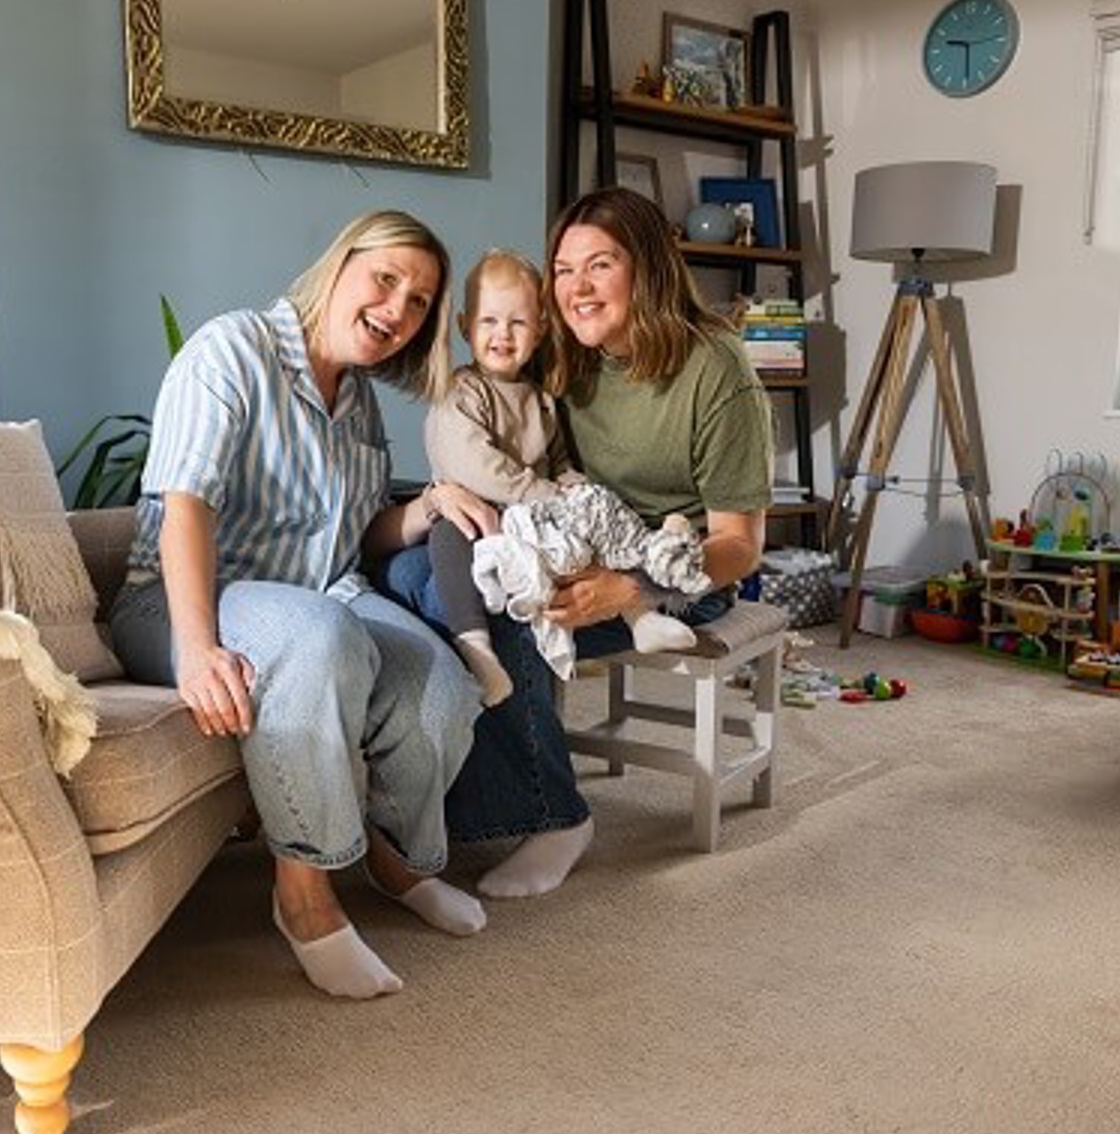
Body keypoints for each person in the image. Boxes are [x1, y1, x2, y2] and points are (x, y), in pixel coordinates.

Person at [109, 210, 500, 1000]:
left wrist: (426, 506)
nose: (398, 309)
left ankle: (393, 862)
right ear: (339, 265)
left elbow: (358, 533)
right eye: (386, 279)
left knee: (442, 683)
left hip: (323, 594)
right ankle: (304, 897)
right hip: (186, 602)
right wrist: (200, 647)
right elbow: (185, 503)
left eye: (420, 301)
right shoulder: (232, 349)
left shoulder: (356, 401)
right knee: (318, 634)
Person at [384, 187, 774, 899]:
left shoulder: (718, 371)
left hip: (674, 570)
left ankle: (557, 817)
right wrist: (450, 493)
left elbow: (739, 546)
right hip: (569, 537)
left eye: (600, 265)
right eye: (563, 269)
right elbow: (487, 395)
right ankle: (451, 797)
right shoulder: (570, 354)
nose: (576, 288)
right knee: (416, 574)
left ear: (648, 269)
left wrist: (633, 588)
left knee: (500, 613)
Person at [425, 249, 705, 707]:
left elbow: (556, 462)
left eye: (517, 323)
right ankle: (475, 646)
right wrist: (548, 496)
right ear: (464, 326)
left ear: (539, 330)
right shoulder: (461, 391)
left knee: (599, 518)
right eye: (489, 321)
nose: (502, 334)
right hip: (480, 514)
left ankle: (641, 616)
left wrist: (576, 489)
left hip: (536, 516)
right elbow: (475, 464)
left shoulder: (540, 399)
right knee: (446, 541)